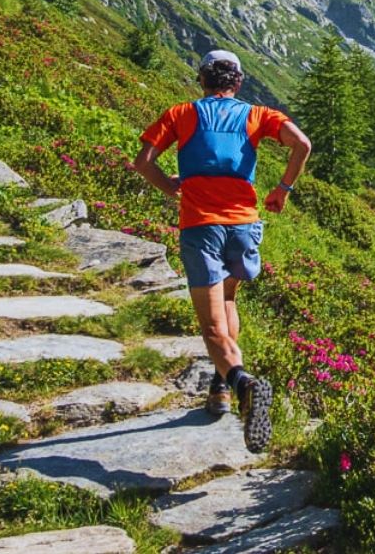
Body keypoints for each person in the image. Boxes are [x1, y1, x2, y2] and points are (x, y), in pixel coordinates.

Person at [128, 49, 310, 451]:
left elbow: (142, 162)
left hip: (201, 227)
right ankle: (220, 389)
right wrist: (282, 189)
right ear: (238, 82)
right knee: (228, 299)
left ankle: (242, 384)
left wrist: (172, 186)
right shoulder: (258, 115)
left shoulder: (180, 114)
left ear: (202, 80)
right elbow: (302, 145)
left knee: (211, 327)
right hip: (244, 227)